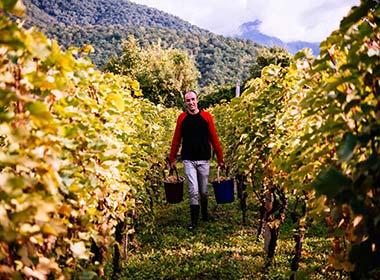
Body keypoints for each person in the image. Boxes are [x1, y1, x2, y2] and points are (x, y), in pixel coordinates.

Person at [169, 90, 225, 230]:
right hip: (188, 159)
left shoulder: (206, 117)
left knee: (204, 191)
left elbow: (214, 138)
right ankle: (194, 221)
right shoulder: (182, 118)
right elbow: (176, 140)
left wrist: (220, 158)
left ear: (197, 100)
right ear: (185, 102)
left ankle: (205, 213)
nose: (191, 102)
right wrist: (172, 158)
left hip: (204, 159)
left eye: (193, 99)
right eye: (188, 100)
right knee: (193, 190)